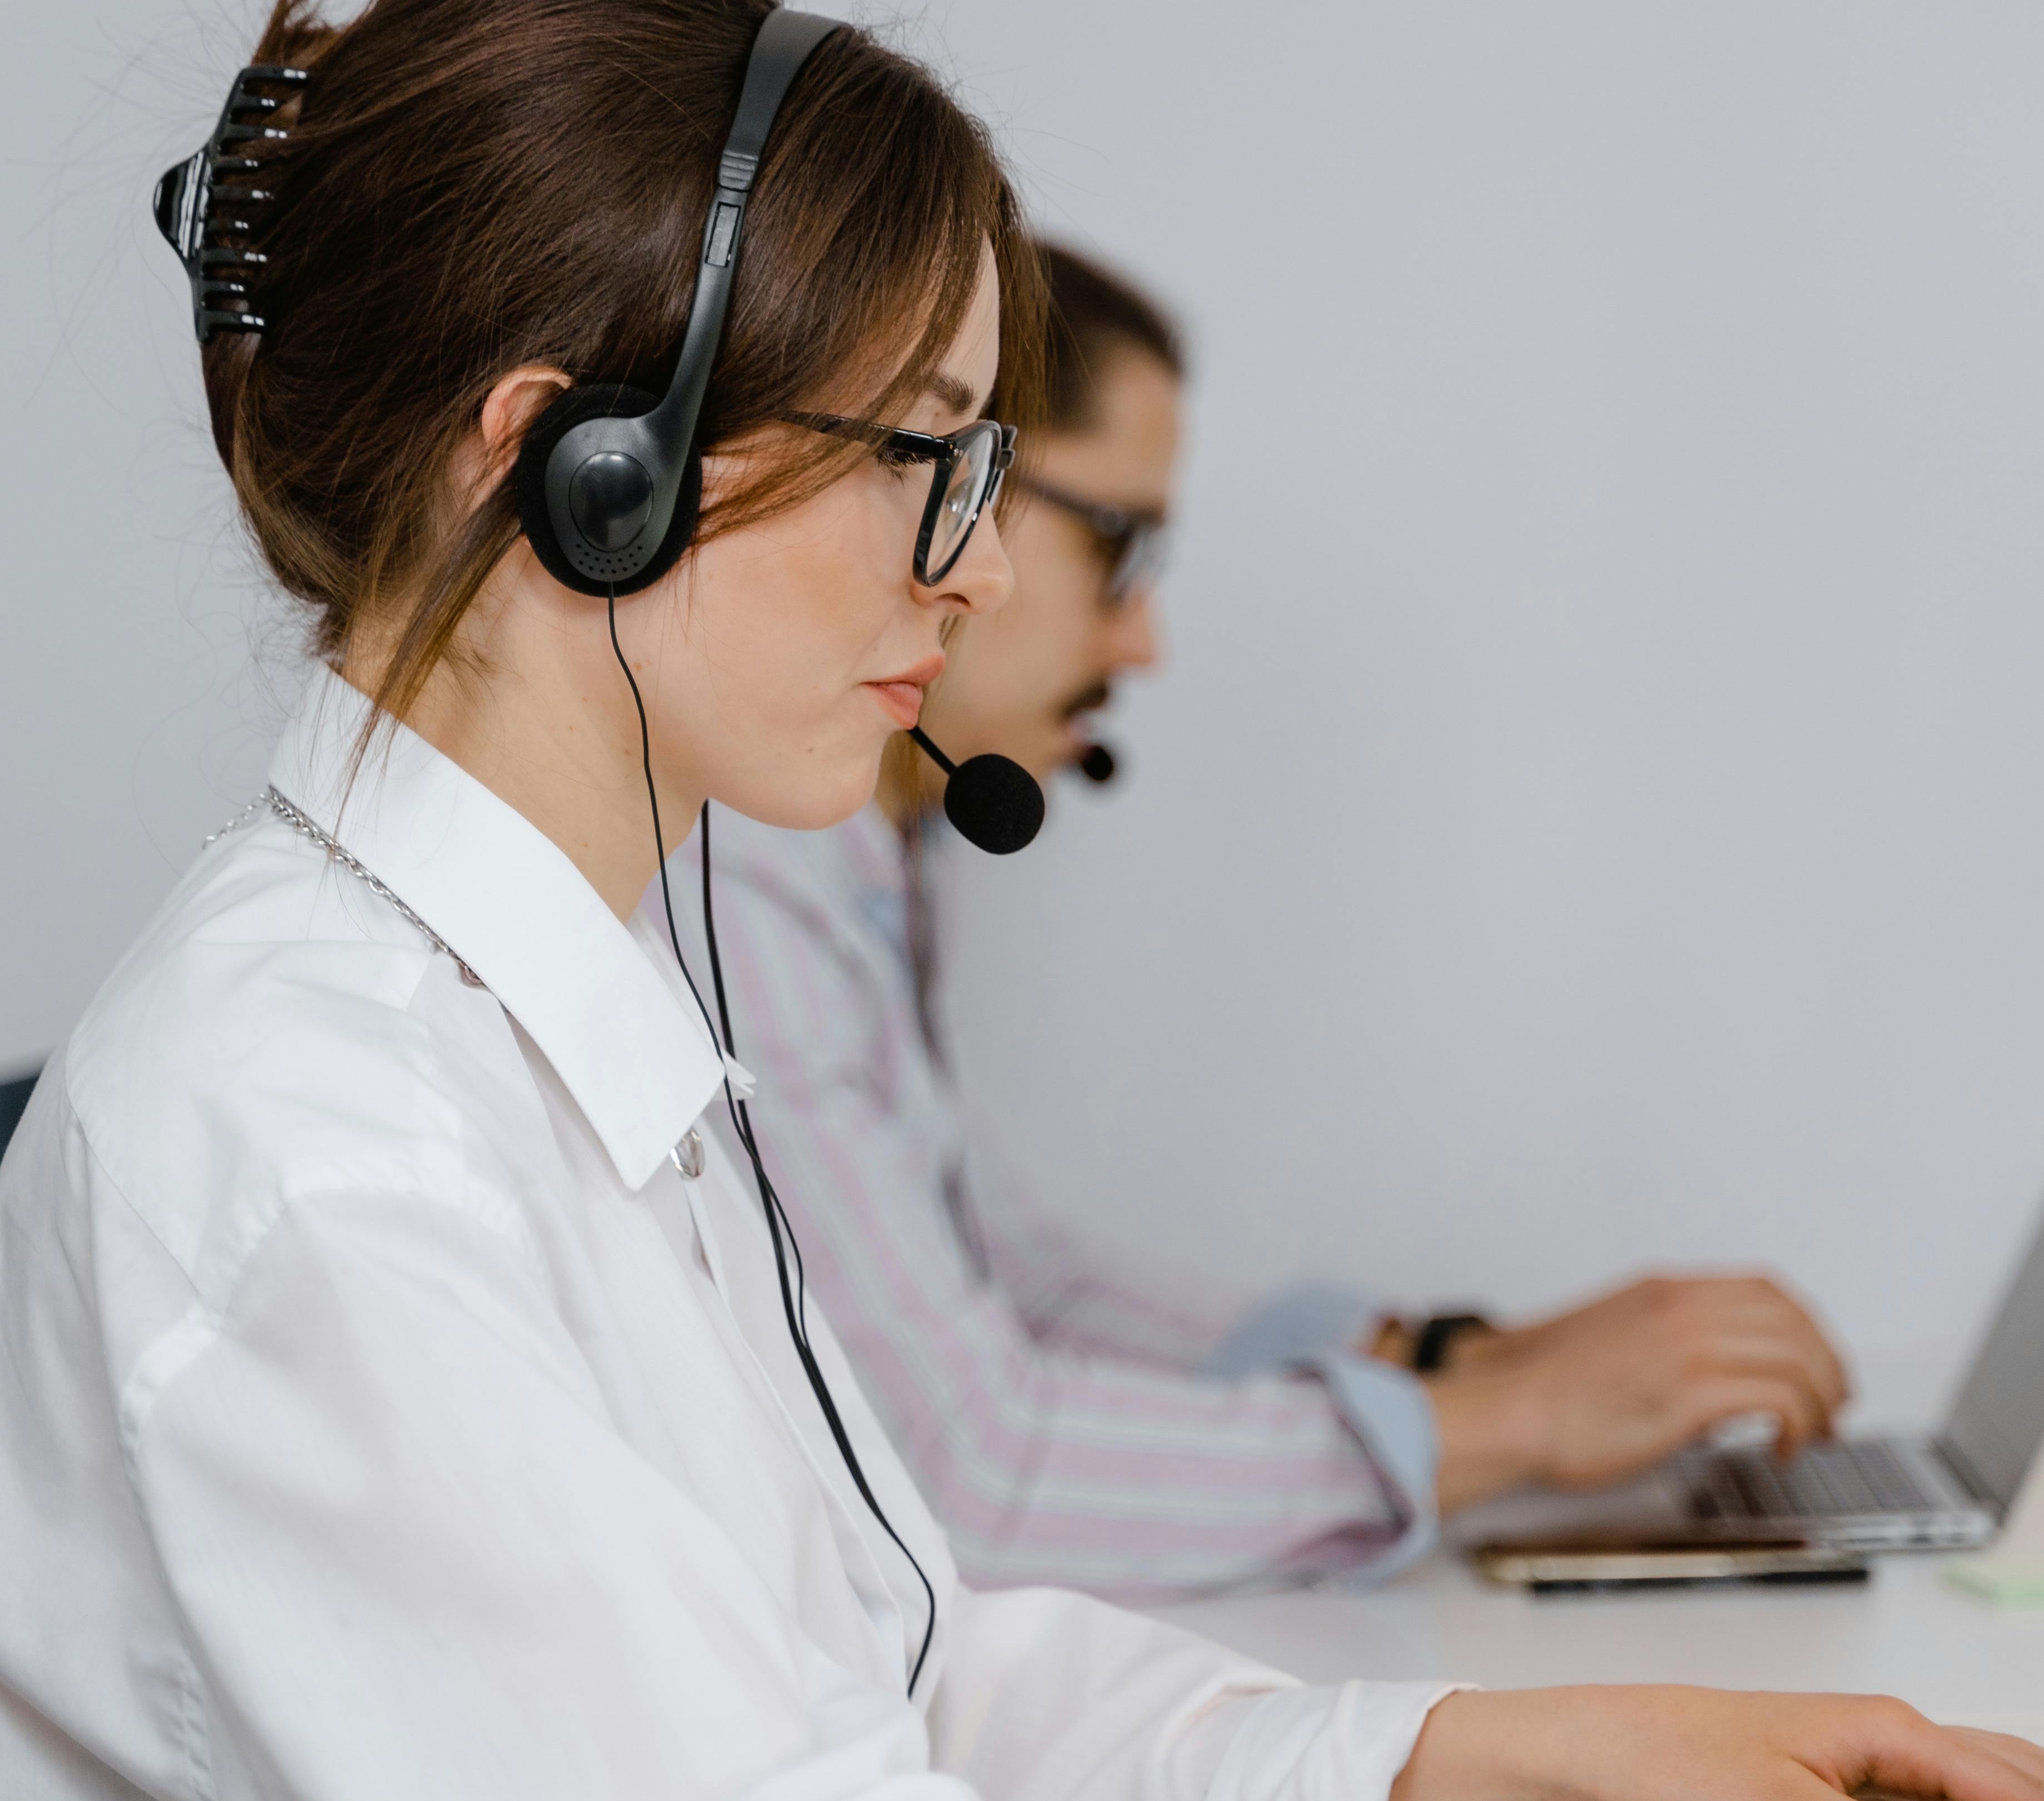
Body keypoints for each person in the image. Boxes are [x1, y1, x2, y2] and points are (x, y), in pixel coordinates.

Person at [0, 4, 2044, 1801]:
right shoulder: (329, 1151)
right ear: (575, 475)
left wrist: (1477, 1755)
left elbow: (903, 1662)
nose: (971, 569)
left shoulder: (547, 1027)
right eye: (925, 459)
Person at [674, 242, 1854, 1599]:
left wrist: (1435, 1364)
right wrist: (1499, 1425)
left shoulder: (845, 865)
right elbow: (968, 1474)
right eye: (1114, 546)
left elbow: (1010, 1276)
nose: (1141, 644)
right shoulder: (735, 880)